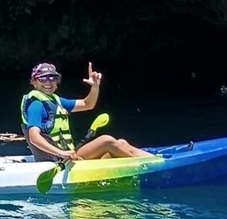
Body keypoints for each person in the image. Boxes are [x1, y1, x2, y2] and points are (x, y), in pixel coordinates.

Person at [20, 62, 152, 162]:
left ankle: (157, 160)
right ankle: (144, 168)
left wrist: (95, 86)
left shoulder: (56, 101)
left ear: (57, 81)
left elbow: (88, 104)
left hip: (68, 156)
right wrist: (61, 153)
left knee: (121, 143)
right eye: (42, 79)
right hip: (56, 160)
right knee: (107, 141)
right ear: (34, 82)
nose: (48, 82)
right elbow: (34, 137)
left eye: (52, 78)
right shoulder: (36, 105)